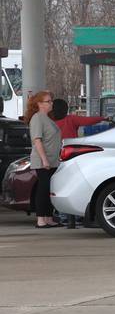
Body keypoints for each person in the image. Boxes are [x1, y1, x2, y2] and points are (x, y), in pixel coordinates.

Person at [25, 91, 61, 228]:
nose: (51, 103)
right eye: (48, 101)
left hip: (53, 160)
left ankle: (48, 217)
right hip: (43, 161)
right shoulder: (37, 118)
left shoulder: (48, 118)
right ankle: (41, 219)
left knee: (49, 189)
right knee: (43, 189)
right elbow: (37, 140)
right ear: (39, 104)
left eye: (51, 101)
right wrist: (44, 160)